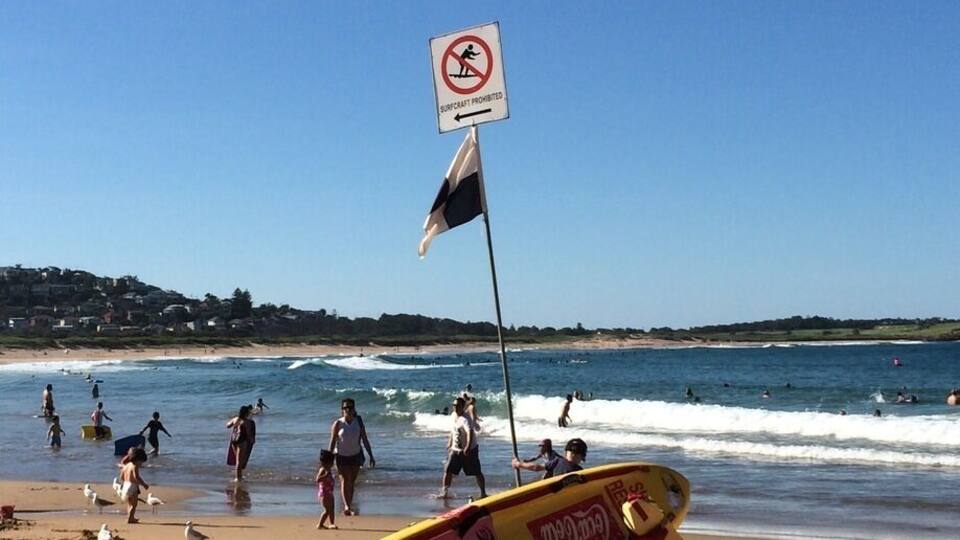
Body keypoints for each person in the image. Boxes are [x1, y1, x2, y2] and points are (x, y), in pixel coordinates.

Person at [328, 398, 375, 516]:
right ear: (342, 410)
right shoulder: (338, 423)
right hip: (341, 456)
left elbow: (364, 439)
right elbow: (333, 441)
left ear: (354, 409)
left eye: (350, 407)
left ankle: (348, 504)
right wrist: (329, 458)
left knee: (352, 482)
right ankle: (347, 506)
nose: (347, 410)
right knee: (344, 480)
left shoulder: (358, 421)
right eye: (345, 408)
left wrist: (371, 455)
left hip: (355, 455)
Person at [441, 397, 486, 499]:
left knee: (476, 472)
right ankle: (444, 492)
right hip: (455, 449)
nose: (455, 408)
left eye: (457, 406)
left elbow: (469, 432)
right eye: (454, 405)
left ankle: (483, 493)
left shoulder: (465, 419)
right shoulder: (453, 415)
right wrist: (449, 442)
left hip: (469, 449)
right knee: (448, 470)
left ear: (462, 407)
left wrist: (467, 447)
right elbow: (453, 430)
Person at [513, 438, 588, 479]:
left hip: (554, 483)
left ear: (565, 453)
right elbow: (536, 459)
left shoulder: (557, 460)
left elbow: (536, 467)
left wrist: (518, 464)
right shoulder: (581, 472)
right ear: (583, 457)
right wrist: (528, 460)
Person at [119, 448, 149, 523]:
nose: (141, 464)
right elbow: (137, 477)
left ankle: (130, 517)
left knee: (129, 503)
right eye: (141, 462)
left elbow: (121, 476)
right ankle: (130, 518)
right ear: (138, 460)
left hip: (125, 485)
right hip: (132, 486)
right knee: (134, 504)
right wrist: (143, 484)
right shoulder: (134, 466)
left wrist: (126, 480)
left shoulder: (127, 465)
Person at [227, 405, 255, 482]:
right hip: (242, 441)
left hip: (233, 440)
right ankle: (238, 478)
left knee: (238, 460)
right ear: (246, 413)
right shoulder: (246, 422)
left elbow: (228, 426)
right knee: (240, 461)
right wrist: (251, 440)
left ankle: (239, 476)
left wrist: (233, 422)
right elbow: (248, 434)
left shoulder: (235, 419)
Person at [315, 450, 337, 530]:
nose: (332, 465)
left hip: (330, 492)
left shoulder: (329, 470)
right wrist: (325, 475)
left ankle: (332, 523)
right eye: (330, 463)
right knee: (327, 510)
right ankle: (320, 524)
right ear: (324, 463)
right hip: (324, 493)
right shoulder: (323, 470)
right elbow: (317, 480)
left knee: (332, 509)